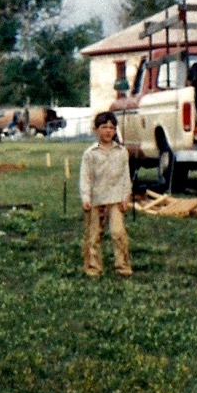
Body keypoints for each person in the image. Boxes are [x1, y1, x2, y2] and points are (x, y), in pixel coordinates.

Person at [79, 111, 133, 277]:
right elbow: (85, 178)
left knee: (118, 233)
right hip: (97, 199)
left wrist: (126, 197)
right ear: (96, 130)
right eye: (104, 127)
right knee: (94, 235)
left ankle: (122, 266)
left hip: (116, 199)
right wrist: (86, 198)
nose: (108, 131)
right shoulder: (90, 154)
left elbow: (126, 176)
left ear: (115, 131)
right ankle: (94, 267)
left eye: (111, 128)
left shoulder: (122, 152)